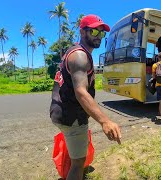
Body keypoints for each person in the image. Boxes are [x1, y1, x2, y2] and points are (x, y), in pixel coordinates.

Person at [50, 14, 122, 180]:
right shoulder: (80, 56)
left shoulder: (74, 51)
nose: (98, 36)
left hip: (60, 111)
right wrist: (105, 121)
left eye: (101, 33)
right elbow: (81, 91)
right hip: (71, 116)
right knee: (78, 163)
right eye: (94, 32)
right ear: (83, 32)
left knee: (75, 152)